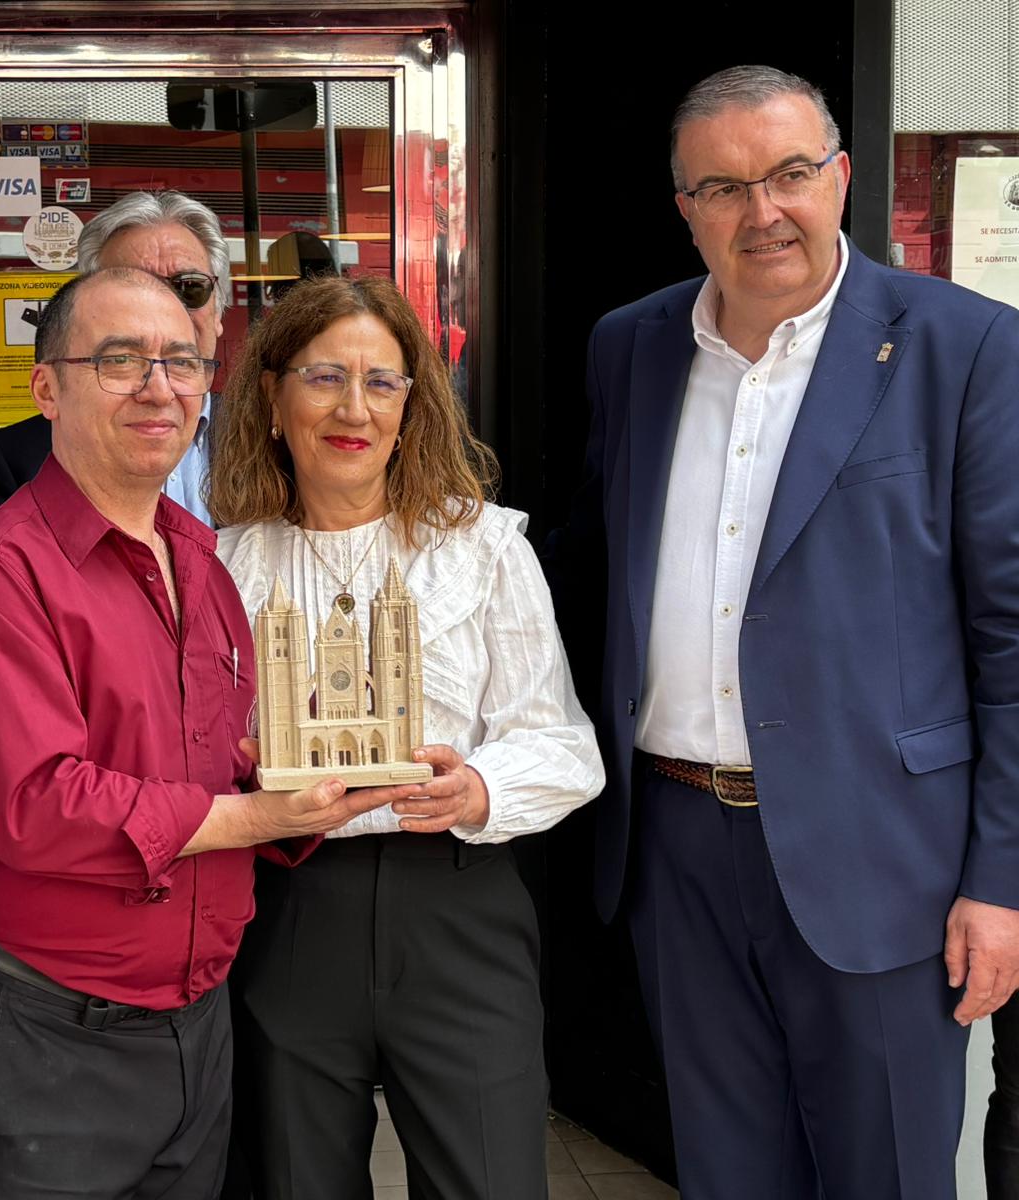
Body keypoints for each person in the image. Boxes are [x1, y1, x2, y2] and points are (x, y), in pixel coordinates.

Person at [558, 65, 1019, 1199]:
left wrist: (1000, 880)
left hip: (883, 853)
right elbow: (592, 565)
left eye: (789, 175)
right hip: (675, 845)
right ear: (685, 209)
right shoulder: (631, 345)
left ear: (842, 178)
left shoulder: (962, 347)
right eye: (722, 187)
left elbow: (1010, 636)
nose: (762, 212)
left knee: (890, 1174)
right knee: (725, 1172)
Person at [0, 266, 399, 1199]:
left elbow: (209, 761)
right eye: (120, 360)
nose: (159, 387)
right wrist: (250, 818)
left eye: (181, 361)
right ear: (46, 387)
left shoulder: (202, 561)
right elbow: (33, 804)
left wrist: (317, 775)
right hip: (43, 1033)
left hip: (196, 1028)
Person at [209, 273, 603, 1199]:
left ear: (413, 404)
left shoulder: (486, 549)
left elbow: (562, 743)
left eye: (383, 382)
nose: (355, 409)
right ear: (270, 397)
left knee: (491, 1180)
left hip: (456, 907)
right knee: (296, 1181)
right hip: (288, 911)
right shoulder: (222, 563)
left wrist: (478, 789)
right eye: (323, 379)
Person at [0, 189, 229, 525]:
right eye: (134, 287)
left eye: (189, 287)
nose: (167, 309)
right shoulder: (16, 458)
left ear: (218, 312)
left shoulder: (273, 437)